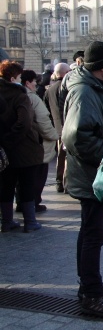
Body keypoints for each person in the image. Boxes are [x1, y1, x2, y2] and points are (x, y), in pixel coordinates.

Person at [61, 41, 103, 317]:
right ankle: (90, 293)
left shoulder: (96, 88)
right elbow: (76, 137)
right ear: (102, 67)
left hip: (95, 173)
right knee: (93, 233)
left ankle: (91, 282)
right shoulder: (84, 92)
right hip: (91, 175)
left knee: (91, 232)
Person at [0, 60, 45, 233]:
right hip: (24, 148)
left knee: (6, 185)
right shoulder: (19, 94)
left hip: (4, 150)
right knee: (27, 184)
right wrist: (10, 140)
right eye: (19, 77)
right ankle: (30, 221)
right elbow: (24, 122)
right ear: (13, 78)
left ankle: (6, 221)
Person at [20, 70, 59, 213]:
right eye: (34, 82)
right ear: (28, 83)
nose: (36, 85)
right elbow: (43, 121)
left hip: (20, 143)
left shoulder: (15, 95)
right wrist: (55, 135)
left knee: (21, 178)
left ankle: (22, 203)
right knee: (37, 175)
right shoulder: (32, 98)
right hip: (36, 143)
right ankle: (33, 203)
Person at [43, 62, 71, 193]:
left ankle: (59, 181)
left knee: (60, 156)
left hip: (57, 128)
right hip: (67, 127)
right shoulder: (67, 88)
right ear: (65, 73)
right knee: (67, 156)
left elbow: (46, 109)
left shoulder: (49, 89)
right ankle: (66, 183)